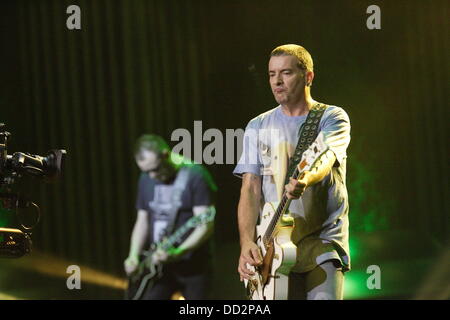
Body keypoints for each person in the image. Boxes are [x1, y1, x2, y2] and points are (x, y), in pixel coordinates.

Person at [234, 44, 351, 300]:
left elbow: (325, 158)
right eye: (271, 74)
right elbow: (250, 187)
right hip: (272, 247)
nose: (277, 81)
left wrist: (305, 180)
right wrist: (246, 242)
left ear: (308, 76)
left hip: (321, 241)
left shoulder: (331, 117)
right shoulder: (258, 125)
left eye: (286, 73)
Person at [124, 134, 216, 300]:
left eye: (155, 169)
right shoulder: (145, 178)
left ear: (166, 155)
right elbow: (142, 221)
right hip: (159, 267)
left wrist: (179, 252)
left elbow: (205, 225)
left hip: (193, 266)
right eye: (146, 171)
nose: (151, 176)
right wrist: (133, 256)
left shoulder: (195, 175)